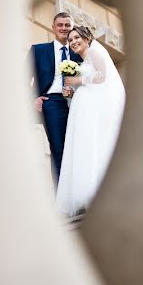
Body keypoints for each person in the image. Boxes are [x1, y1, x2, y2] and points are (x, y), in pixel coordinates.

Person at [56, 25, 125, 217]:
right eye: (70, 40)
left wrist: (78, 81)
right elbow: (89, 81)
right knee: (84, 147)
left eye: (77, 37)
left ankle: (98, 193)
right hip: (84, 109)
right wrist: (71, 90)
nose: (73, 42)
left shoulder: (95, 52)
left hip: (92, 110)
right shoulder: (84, 60)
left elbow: (103, 77)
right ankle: (87, 193)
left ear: (87, 38)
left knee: (94, 144)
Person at [28, 12, 82, 182]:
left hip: (78, 104)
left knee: (77, 149)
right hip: (51, 103)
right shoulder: (39, 50)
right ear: (53, 28)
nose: (64, 28)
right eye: (60, 25)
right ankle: (61, 201)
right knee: (58, 149)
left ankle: (79, 196)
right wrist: (33, 99)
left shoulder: (79, 52)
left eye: (68, 25)